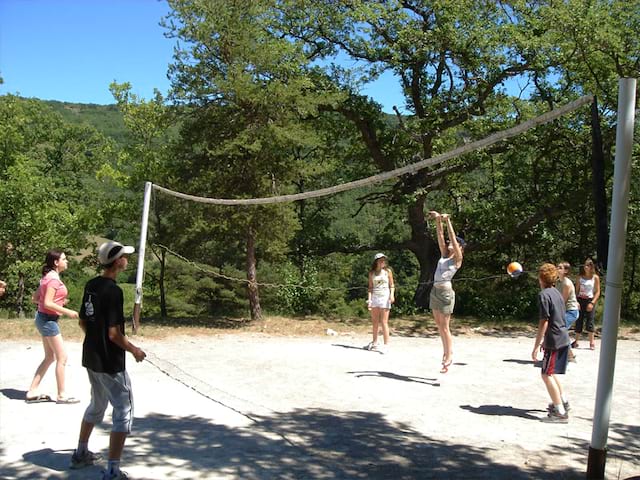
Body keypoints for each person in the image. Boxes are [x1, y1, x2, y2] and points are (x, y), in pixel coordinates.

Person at [71, 241, 146, 480]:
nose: (126, 259)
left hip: (91, 356)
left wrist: (94, 341)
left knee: (97, 404)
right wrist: (134, 350)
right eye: (124, 256)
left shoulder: (91, 285)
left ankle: (81, 452)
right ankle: (113, 471)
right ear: (116, 262)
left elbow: (84, 321)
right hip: (110, 361)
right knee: (123, 410)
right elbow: (114, 334)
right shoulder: (114, 291)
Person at [26, 250, 80, 404]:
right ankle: (62, 395)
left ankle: (32, 391)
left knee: (50, 357)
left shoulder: (47, 277)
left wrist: (59, 302)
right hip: (48, 320)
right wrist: (67, 311)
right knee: (62, 357)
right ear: (56, 262)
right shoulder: (54, 279)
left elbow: (36, 298)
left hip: (43, 318)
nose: (67, 261)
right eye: (64, 259)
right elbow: (47, 302)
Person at [532, 263, 572, 423]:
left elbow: (545, 321)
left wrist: (537, 344)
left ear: (541, 278)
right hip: (561, 337)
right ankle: (563, 402)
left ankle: (560, 413)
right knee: (550, 372)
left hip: (554, 340)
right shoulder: (556, 292)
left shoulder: (544, 295)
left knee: (546, 374)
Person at [428, 211, 464, 374]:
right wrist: (437, 220)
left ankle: (449, 355)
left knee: (445, 327)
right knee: (439, 325)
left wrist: (448, 220)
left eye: (454, 242)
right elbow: (441, 235)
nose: (450, 242)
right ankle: (445, 352)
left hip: (445, 293)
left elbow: (450, 236)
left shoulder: (457, 259)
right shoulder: (444, 255)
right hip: (435, 291)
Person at [365, 253, 395, 353]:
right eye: (380, 260)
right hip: (375, 298)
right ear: (376, 262)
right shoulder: (372, 273)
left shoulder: (387, 272)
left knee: (384, 321)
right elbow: (370, 288)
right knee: (375, 322)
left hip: (385, 297)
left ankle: (386, 344)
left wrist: (392, 295)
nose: (383, 262)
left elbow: (392, 285)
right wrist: (369, 300)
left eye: (384, 260)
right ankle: (374, 341)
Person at [574, 258, 601, 350]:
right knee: (579, 320)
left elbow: (597, 292)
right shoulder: (580, 277)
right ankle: (576, 341)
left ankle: (592, 342)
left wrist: (592, 302)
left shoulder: (595, 277)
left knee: (590, 321)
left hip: (590, 299)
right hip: (580, 299)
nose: (586, 267)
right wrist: (576, 301)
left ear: (591, 267)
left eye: (588, 265)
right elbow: (576, 291)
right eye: (585, 265)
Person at [556, 262, 579, 362]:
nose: (558, 269)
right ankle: (570, 355)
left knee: (561, 331)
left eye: (560, 268)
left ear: (566, 271)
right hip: (565, 311)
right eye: (558, 267)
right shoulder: (558, 282)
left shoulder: (566, 283)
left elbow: (562, 301)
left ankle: (568, 356)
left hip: (571, 311)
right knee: (562, 332)